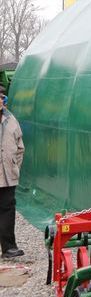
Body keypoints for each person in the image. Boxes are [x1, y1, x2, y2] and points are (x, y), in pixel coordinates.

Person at [0, 88, 25, 258]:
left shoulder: (10, 120)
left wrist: (14, 166)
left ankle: (8, 247)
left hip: (7, 176)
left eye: (1, 97)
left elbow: (20, 147)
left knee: (7, 210)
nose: (1, 101)